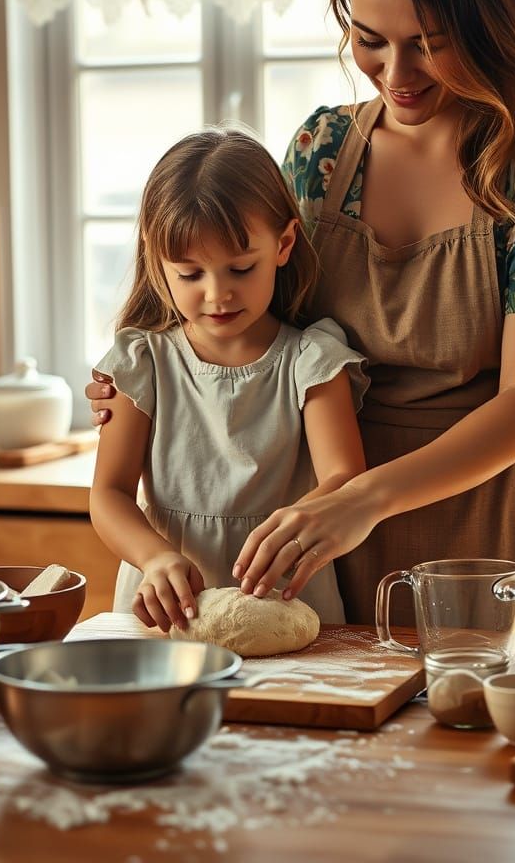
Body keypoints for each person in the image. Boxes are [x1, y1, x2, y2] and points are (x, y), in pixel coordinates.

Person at [90, 0, 515, 626]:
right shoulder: (321, 149)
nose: (397, 76)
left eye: (429, 46)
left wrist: (365, 499)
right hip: (317, 540)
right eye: (371, 42)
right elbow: (246, 300)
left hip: (481, 528)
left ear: (485, 26)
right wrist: (140, 370)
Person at [89, 128, 368, 634]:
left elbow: (343, 481)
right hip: (169, 609)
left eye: (241, 268)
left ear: (283, 244)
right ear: (158, 260)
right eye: (190, 274)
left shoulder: (313, 361)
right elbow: (108, 494)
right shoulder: (142, 361)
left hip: (284, 596)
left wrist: (284, 538)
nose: (217, 294)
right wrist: (154, 559)